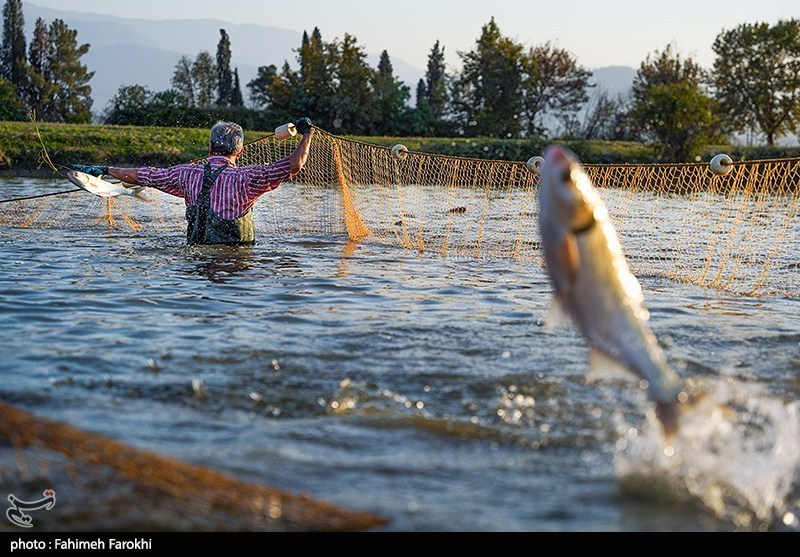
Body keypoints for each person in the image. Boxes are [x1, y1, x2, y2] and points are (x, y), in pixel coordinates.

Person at [72, 117, 314, 246]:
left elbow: (145, 175)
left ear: (210, 147)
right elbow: (294, 164)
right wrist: (307, 134)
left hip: (196, 269)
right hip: (236, 267)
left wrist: (105, 170)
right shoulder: (247, 178)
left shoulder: (187, 174)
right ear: (240, 152)